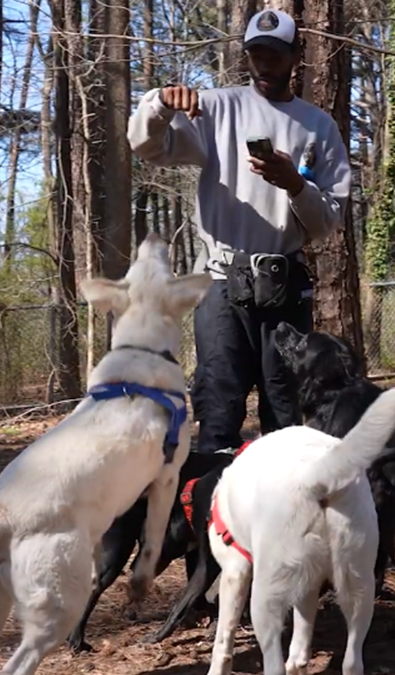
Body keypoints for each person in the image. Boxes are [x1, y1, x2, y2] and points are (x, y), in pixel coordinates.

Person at [127, 8, 352, 454]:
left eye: (275, 54)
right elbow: (148, 146)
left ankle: (280, 516)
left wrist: (295, 185)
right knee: (218, 408)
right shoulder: (215, 108)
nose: (265, 64)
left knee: (285, 415)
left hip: (285, 286)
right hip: (221, 284)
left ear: (295, 56)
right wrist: (158, 103)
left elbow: (328, 220)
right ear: (247, 56)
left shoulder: (319, 127)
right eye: (256, 54)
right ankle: (211, 517)